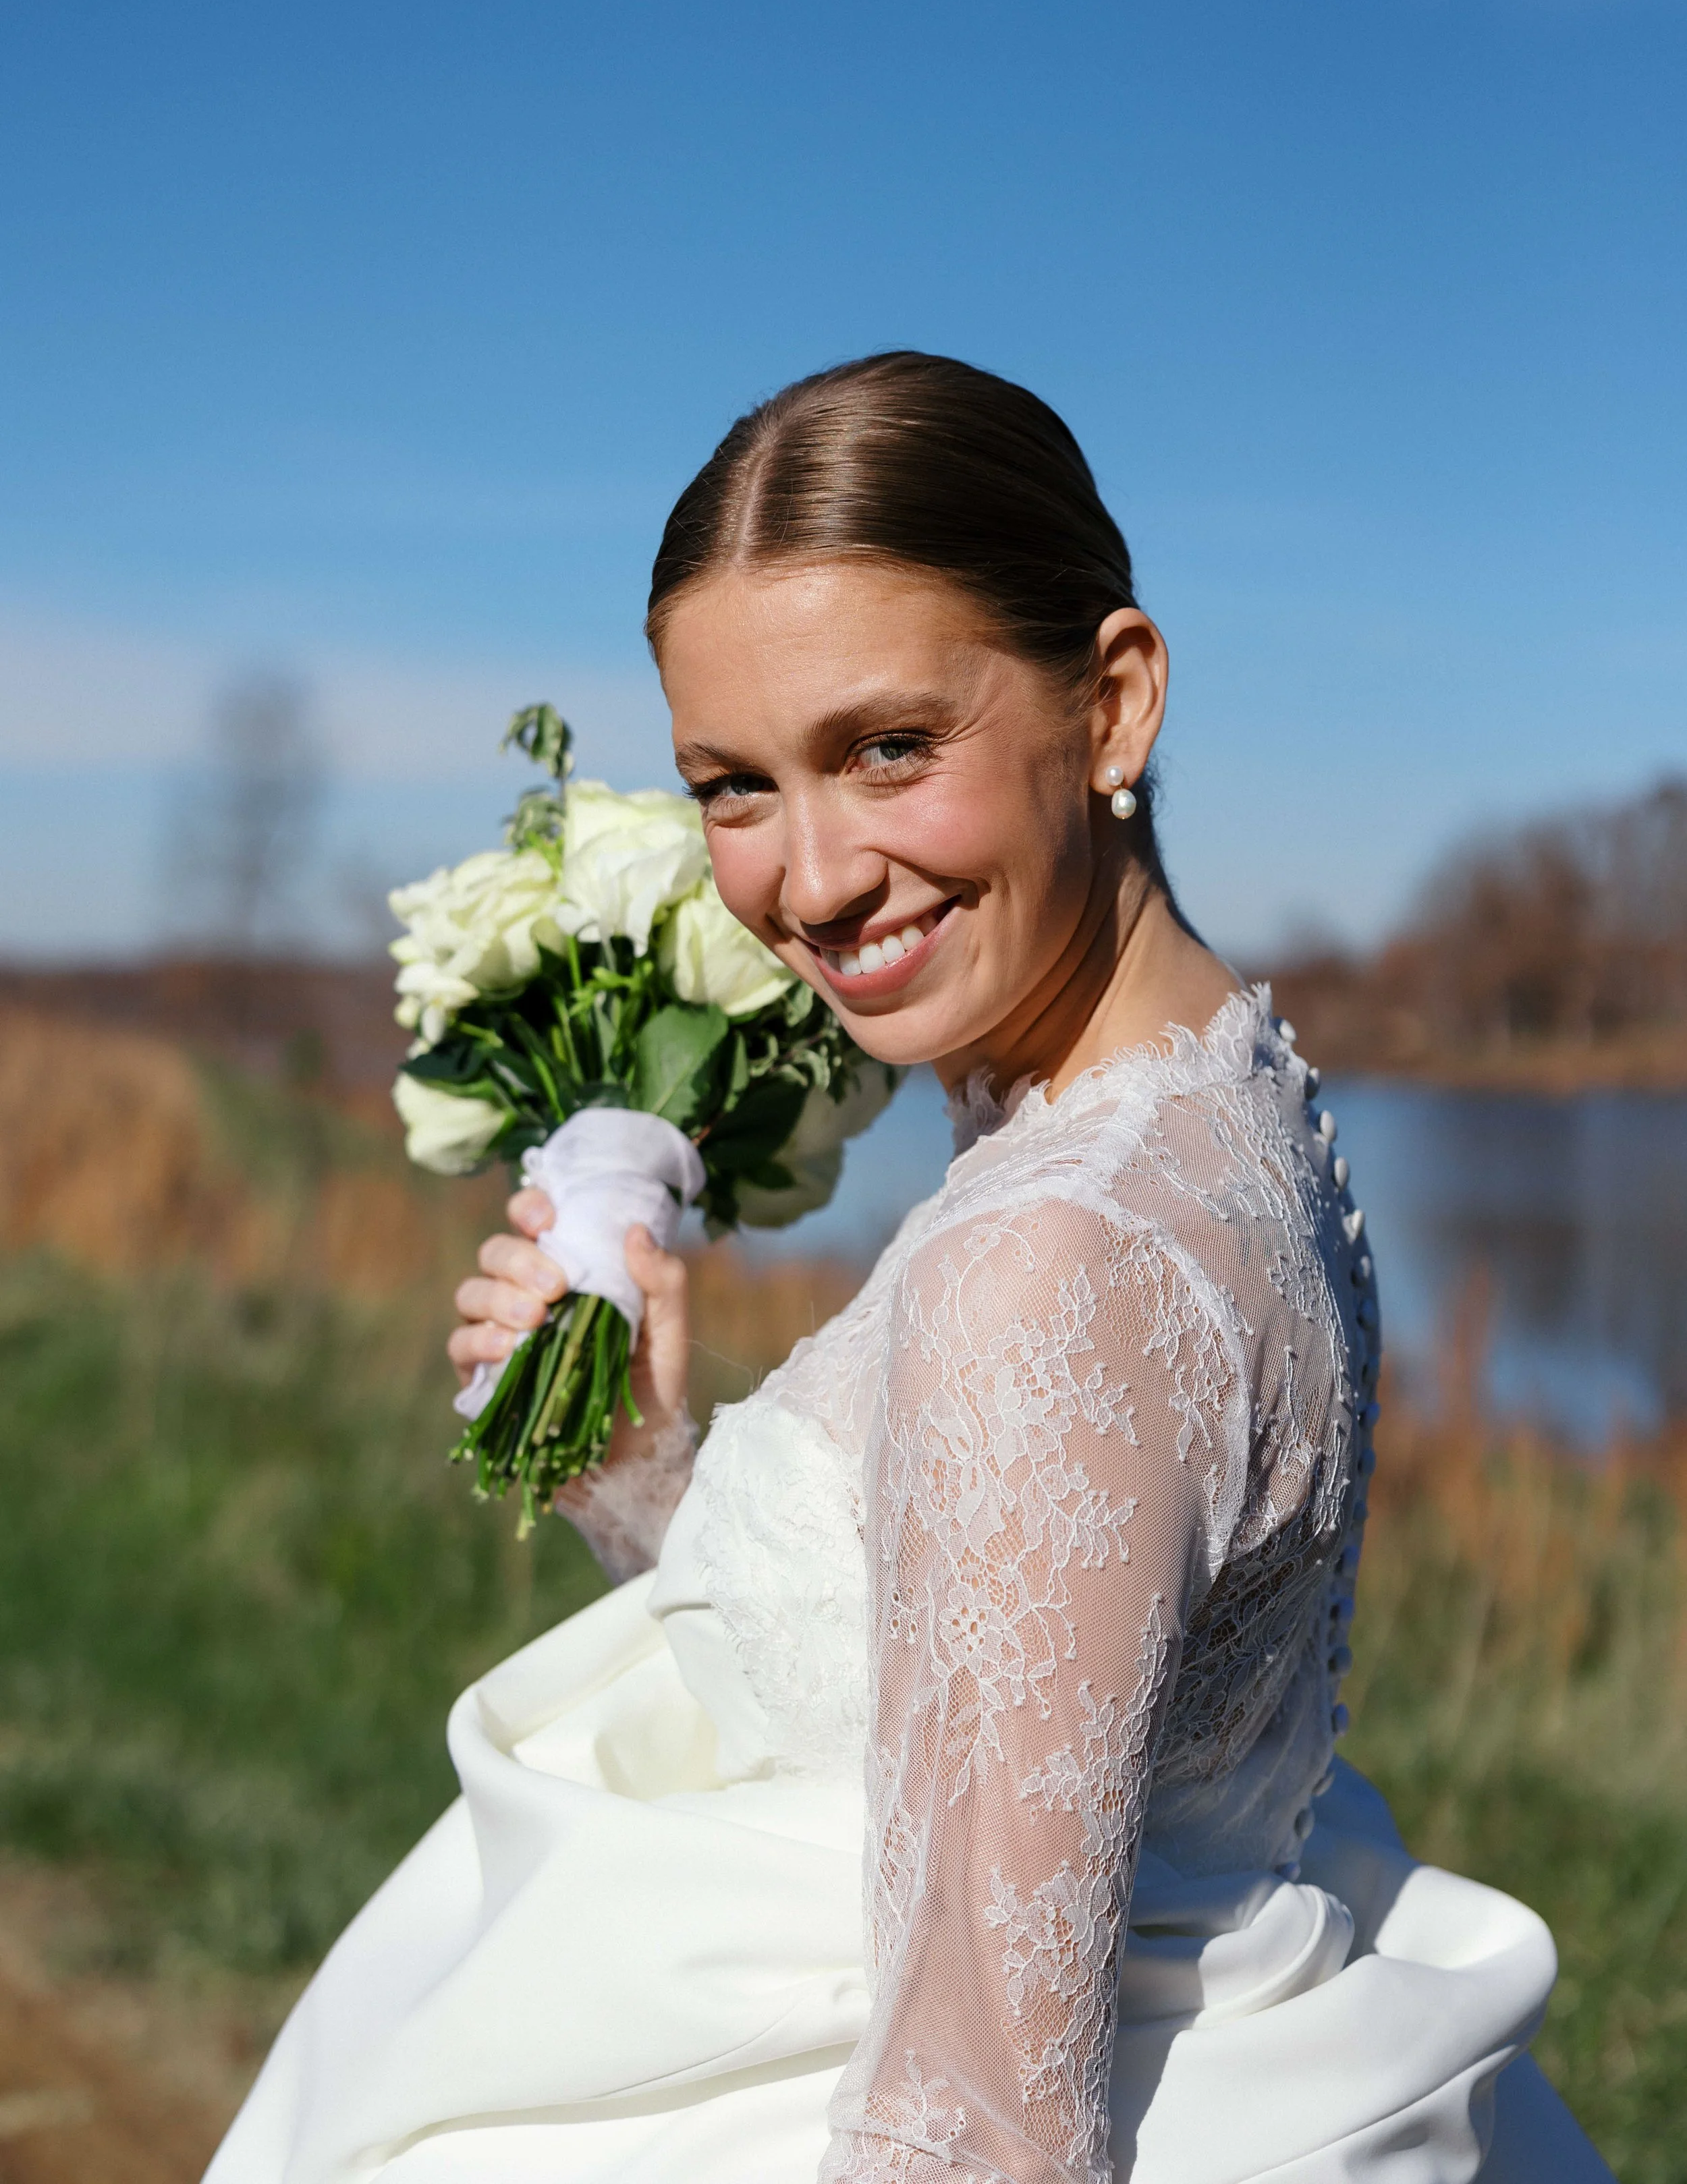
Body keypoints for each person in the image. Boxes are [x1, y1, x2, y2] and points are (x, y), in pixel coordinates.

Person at [207, 355, 1613, 2183]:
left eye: (885, 747)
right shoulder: (1215, 1100)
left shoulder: (1052, 1254)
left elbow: (982, 2122)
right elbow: (1018, 1678)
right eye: (730, 783)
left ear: (1109, 703)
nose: (805, 878)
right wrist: (654, 1480)